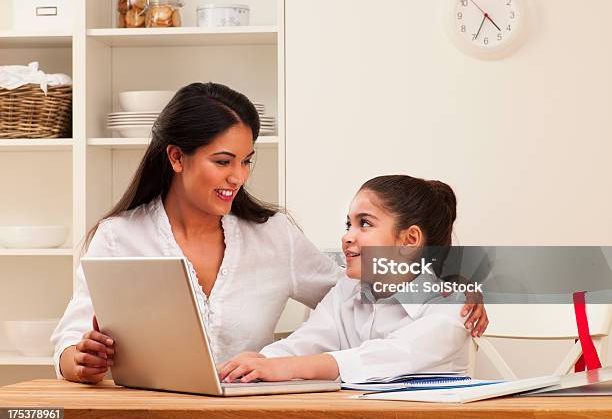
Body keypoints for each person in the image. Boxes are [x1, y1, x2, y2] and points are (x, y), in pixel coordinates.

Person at [51, 83, 488, 384]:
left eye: (247, 160)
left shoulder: (274, 235)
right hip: (146, 416)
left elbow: (357, 286)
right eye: (223, 161)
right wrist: (81, 362)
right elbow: (71, 343)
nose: (238, 176)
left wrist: (446, 280)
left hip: (247, 412)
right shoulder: (118, 237)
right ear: (177, 158)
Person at [219, 175, 480, 383]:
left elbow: (380, 358)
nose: (347, 236)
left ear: (409, 240)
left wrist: (281, 367)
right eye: (348, 225)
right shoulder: (347, 291)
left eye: (364, 224)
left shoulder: (453, 308)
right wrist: (252, 365)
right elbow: (305, 342)